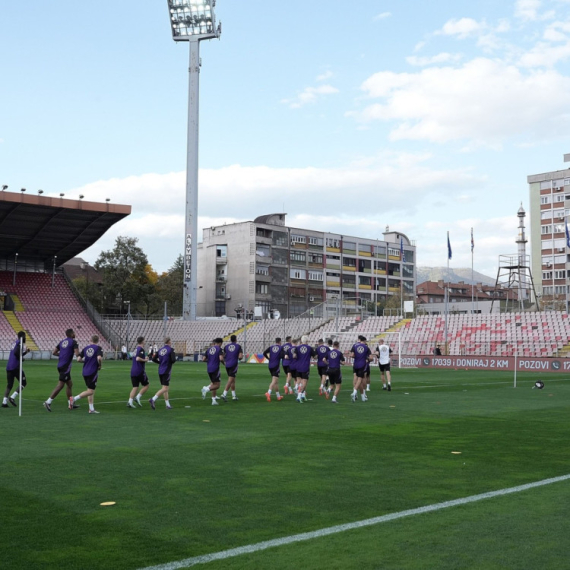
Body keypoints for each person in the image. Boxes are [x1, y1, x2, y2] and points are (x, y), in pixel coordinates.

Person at [44, 329, 80, 412]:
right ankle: (48, 402)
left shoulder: (62, 342)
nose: (75, 334)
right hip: (66, 366)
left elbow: (54, 352)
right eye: (74, 333)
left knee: (69, 384)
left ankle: (70, 403)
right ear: (71, 334)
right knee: (60, 385)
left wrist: (62, 355)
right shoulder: (74, 342)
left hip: (60, 365)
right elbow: (77, 354)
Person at [73, 334, 103, 414]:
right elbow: (99, 358)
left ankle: (91, 409)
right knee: (91, 392)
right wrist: (100, 365)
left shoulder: (85, 348)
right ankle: (74, 399)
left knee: (90, 389)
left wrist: (86, 361)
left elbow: (78, 359)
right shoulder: (98, 348)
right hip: (92, 372)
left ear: (90, 340)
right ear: (97, 341)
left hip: (85, 371)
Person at [3, 331, 30, 409]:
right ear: (22, 336)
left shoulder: (14, 343)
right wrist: (21, 358)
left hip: (9, 366)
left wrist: (25, 353)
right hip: (16, 367)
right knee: (23, 383)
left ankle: (4, 402)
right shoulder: (19, 343)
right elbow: (16, 353)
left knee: (10, 384)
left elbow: (17, 353)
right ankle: (12, 397)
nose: (25, 338)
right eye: (25, 336)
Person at [149, 337, 176, 410]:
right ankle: (153, 399)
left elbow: (153, 359)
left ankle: (167, 405)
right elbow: (173, 360)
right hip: (166, 370)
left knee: (164, 388)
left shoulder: (160, 350)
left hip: (160, 370)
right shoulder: (171, 350)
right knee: (166, 388)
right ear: (169, 341)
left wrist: (160, 363)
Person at [128, 336, 150, 408]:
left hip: (133, 370)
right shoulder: (141, 349)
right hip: (139, 370)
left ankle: (130, 402)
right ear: (143, 341)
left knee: (135, 387)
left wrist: (144, 358)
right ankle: (137, 397)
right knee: (146, 385)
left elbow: (136, 357)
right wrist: (145, 360)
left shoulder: (136, 349)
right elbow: (138, 358)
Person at [294, 335, 317, 403]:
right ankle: (299, 396)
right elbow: (315, 357)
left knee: (299, 380)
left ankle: (303, 395)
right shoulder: (309, 348)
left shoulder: (297, 347)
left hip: (298, 366)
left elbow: (294, 356)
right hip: (305, 367)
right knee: (304, 382)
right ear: (307, 341)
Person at [201, 338, 223, 405]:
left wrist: (210, 361)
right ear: (219, 343)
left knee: (214, 383)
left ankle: (213, 400)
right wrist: (224, 363)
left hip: (209, 368)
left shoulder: (208, 349)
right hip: (215, 368)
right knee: (217, 385)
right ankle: (206, 389)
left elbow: (203, 359)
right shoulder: (219, 349)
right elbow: (221, 358)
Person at [221, 335, 243, 402]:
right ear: (236, 339)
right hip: (234, 364)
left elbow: (223, 355)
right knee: (231, 380)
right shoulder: (238, 346)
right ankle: (224, 394)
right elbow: (240, 357)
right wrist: (240, 358)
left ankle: (234, 396)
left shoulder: (226, 347)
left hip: (227, 364)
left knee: (233, 379)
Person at [350, 336, 371, 402]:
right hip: (362, 364)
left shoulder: (354, 346)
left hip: (355, 364)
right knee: (361, 379)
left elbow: (352, 355)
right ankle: (354, 392)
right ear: (364, 341)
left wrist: (356, 356)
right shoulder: (366, 347)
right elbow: (371, 358)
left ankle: (362, 397)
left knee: (355, 378)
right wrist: (366, 358)